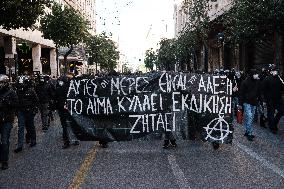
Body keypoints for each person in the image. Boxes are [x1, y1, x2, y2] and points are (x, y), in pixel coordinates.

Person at [14, 75, 39, 153]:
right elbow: (16, 102)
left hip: (29, 111)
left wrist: (34, 110)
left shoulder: (31, 91)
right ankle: (20, 145)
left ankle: (33, 140)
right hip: (21, 111)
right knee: (21, 127)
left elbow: (36, 101)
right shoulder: (17, 91)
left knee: (30, 126)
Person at [54, 73, 79, 149]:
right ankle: (70, 140)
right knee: (69, 124)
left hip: (66, 107)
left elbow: (56, 95)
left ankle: (68, 141)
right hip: (66, 107)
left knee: (66, 124)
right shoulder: (70, 85)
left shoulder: (63, 86)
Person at [0, 75, 18, 170]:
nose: (0, 85)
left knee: (5, 141)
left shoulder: (11, 92)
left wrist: (8, 102)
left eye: (2, 83)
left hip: (7, 120)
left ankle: (4, 161)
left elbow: (16, 104)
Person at [261, 65, 284, 134]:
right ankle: (272, 127)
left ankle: (274, 123)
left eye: (277, 70)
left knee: (282, 111)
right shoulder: (267, 79)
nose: (276, 72)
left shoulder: (279, 78)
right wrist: (264, 100)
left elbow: (282, 88)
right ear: (271, 72)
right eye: (275, 71)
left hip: (278, 99)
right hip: (270, 99)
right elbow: (263, 90)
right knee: (271, 113)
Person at [239, 69, 260, 141]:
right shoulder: (245, 82)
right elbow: (241, 93)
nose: (256, 75)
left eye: (257, 74)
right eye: (255, 74)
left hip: (254, 102)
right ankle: (250, 133)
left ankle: (247, 131)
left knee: (251, 117)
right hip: (246, 102)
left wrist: (260, 100)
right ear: (251, 74)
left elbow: (259, 91)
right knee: (250, 117)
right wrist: (240, 104)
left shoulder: (257, 82)